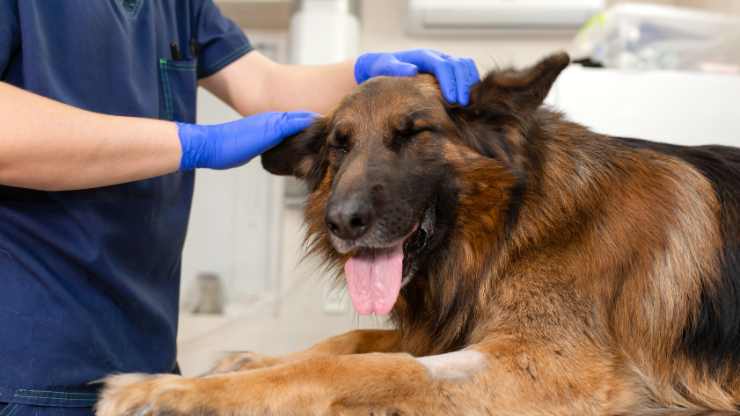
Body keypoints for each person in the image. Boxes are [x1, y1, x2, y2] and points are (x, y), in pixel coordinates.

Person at [0, 1, 479, 416]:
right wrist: (194, 142)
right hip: (31, 360)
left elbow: (262, 85)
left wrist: (363, 73)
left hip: (144, 354)